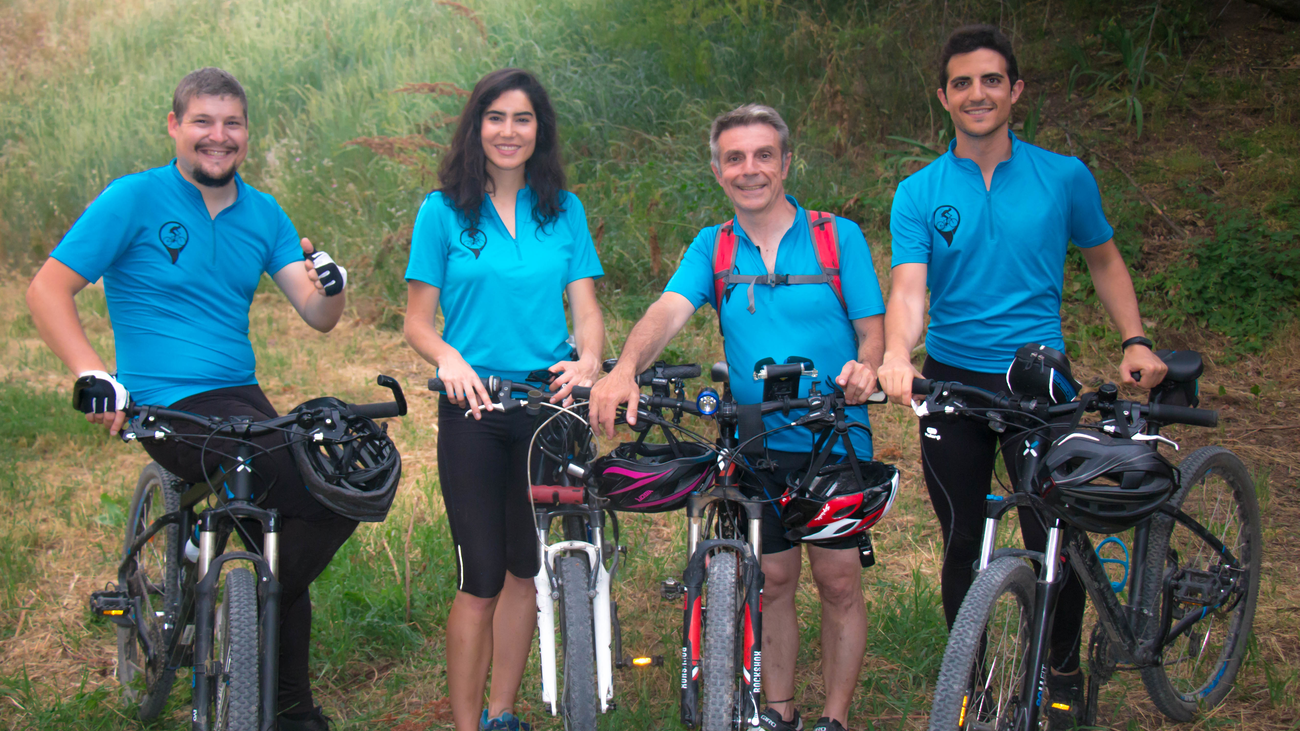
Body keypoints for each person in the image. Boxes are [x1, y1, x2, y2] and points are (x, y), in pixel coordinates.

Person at [25, 67, 356, 730]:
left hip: (242, 398)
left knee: (342, 478)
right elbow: (46, 289)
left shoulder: (263, 213)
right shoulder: (133, 200)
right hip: (166, 404)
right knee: (299, 491)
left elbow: (318, 315)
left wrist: (334, 283)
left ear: (246, 133)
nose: (218, 136)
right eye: (203, 121)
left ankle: (260, 628)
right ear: (175, 126)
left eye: (231, 123)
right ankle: (277, 672)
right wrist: (94, 372)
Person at [875, 26, 1168, 730]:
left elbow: (1102, 258)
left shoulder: (1063, 175)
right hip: (951, 382)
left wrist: (1134, 337)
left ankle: (1063, 671)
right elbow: (911, 289)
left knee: (1051, 533)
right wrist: (894, 352)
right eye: (963, 83)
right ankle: (970, 689)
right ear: (943, 97)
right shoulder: (918, 191)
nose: (978, 93)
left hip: (1040, 382)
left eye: (992, 80)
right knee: (960, 539)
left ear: (1016, 91)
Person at [589, 104, 886, 731]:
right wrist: (624, 369)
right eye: (734, 159)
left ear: (785, 161)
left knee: (837, 583)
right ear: (719, 171)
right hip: (755, 438)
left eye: (762, 156)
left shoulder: (839, 237)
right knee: (773, 581)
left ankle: (834, 719)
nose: (750, 170)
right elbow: (668, 311)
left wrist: (865, 366)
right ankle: (780, 714)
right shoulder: (715, 245)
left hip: (834, 435)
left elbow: (872, 332)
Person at [402, 68, 604, 731]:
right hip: (475, 410)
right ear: (475, 125)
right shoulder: (442, 211)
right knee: (481, 575)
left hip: (547, 409)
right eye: (496, 117)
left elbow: (587, 308)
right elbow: (418, 323)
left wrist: (590, 361)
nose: (509, 131)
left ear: (539, 128)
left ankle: (502, 712)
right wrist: (450, 359)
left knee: (526, 569)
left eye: (522, 118)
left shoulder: (564, 210)